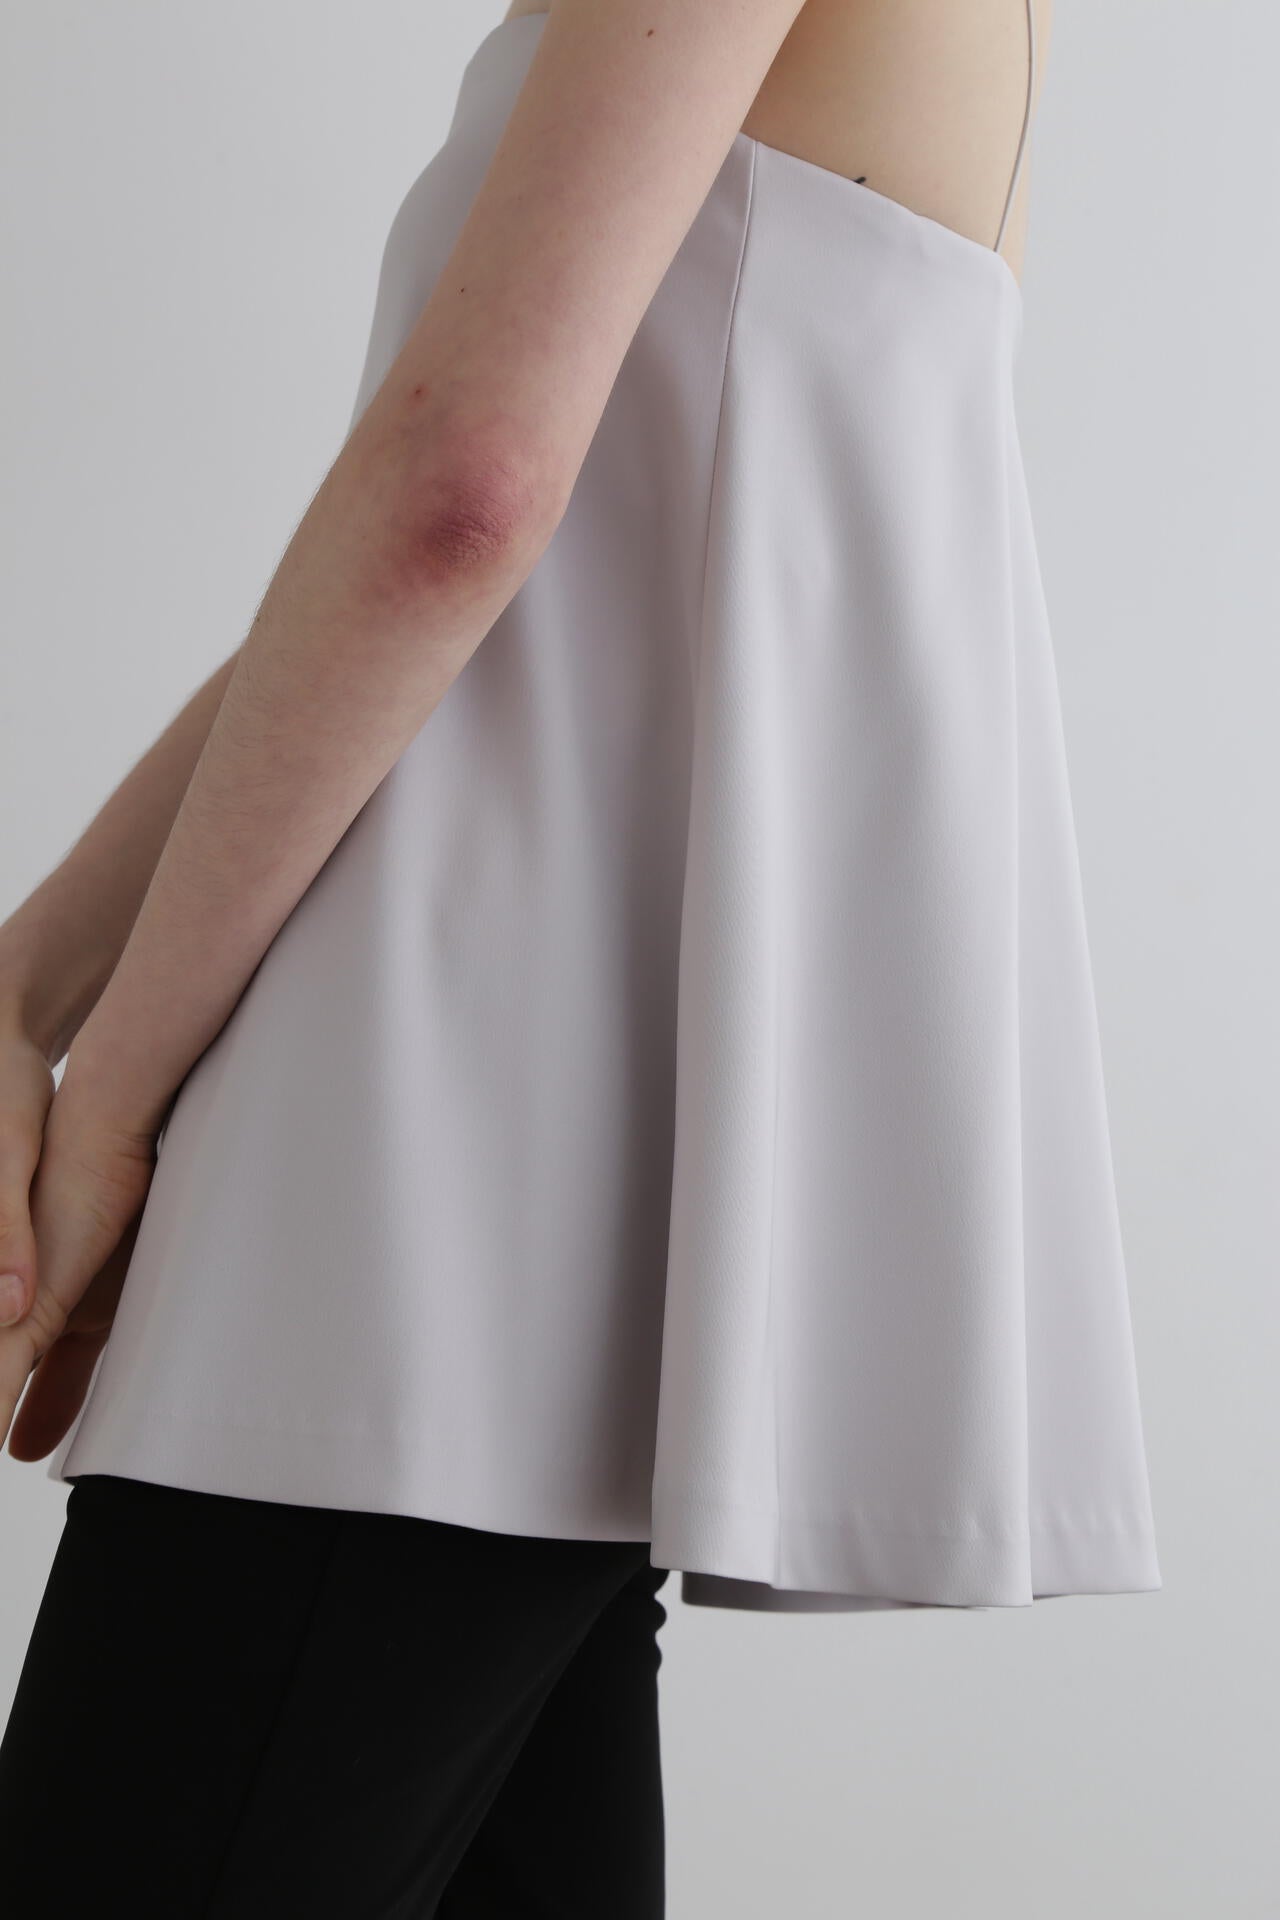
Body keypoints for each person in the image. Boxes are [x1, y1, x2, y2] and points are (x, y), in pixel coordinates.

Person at [0, 0, 1162, 1911]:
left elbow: (457, 501)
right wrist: (30, 991)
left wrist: (112, 1093)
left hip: (404, 1194)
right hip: (573, 1211)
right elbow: (435, 569)